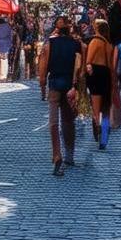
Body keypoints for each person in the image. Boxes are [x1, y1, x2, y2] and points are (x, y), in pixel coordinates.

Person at [37, 14, 82, 176]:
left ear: (57, 30)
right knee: (68, 120)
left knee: (53, 121)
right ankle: (69, 154)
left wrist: (42, 85)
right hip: (70, 85)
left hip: (55, 84)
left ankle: (57, 154)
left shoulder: (50, 44)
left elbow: (42, 70)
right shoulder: (76, 44)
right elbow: (80, 67)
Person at [85, 20, 116, 150]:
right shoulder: (109, 45)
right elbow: (111, 65)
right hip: (106, 74)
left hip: (96, 73)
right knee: (106, 107)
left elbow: (88, 61)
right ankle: (104, 138)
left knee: (96, 107)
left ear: (98, 29)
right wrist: (114, 81)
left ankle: (97, 127)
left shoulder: (94, 42)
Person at [0, 16, 14, 80]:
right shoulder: (7, 26)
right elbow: (10, 35)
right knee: (4, 59)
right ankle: (3, 75)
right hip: (6, 44)